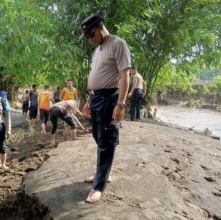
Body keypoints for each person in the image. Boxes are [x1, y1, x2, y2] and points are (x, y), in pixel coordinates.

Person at [81, 12, 131, 203]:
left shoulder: (118, 44)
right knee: (97, 135)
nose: (90, 40)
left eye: (91, 35)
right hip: (95, 98)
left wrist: (120, 104)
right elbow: (95, 77)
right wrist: (88, 100)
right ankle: (103, 171)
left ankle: (99, 185)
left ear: (100, 27)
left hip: (110, 98)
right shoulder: (98, 49)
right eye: (87, 37)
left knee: (106, 140)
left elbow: (125, 76)